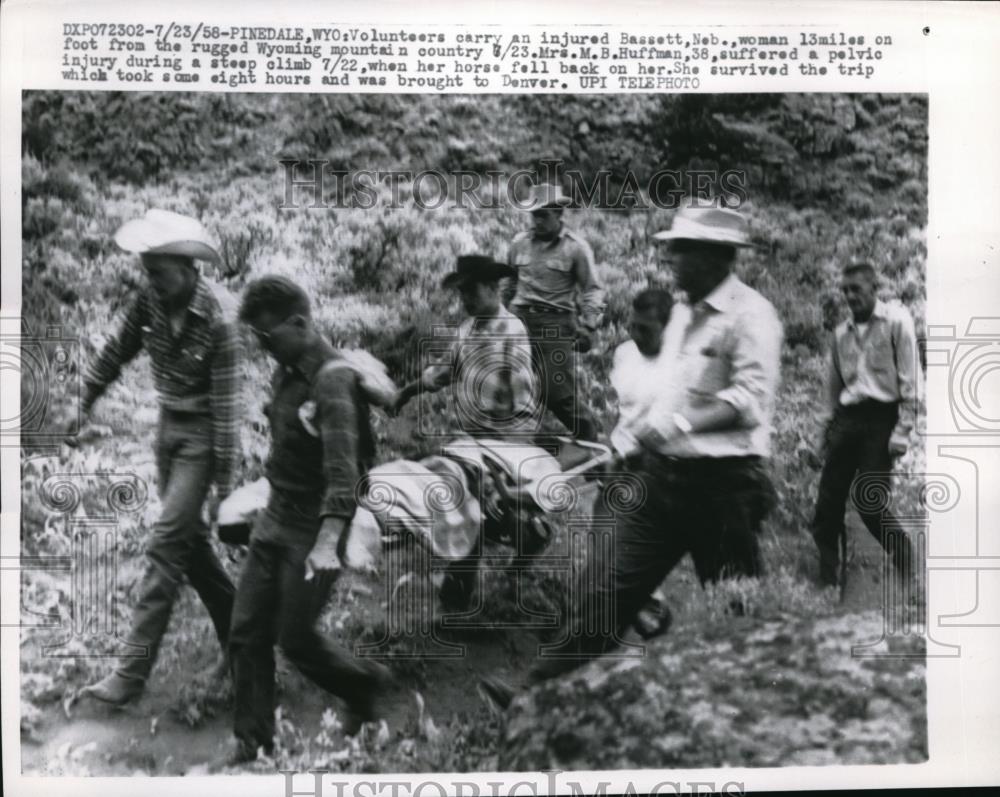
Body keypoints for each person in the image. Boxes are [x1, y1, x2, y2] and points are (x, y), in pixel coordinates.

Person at [481, 203, 783, 705]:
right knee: (606, 596)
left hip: (726, 489)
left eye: (683, 251)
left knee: (737, 609)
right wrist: (629, 445)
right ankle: (532, 696)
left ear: (715, 257)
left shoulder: (752, 316)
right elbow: (664, 396)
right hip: (662, 482)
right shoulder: (684, 317)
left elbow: (749, 400)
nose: (674, 262)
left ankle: (760, 709)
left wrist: (678, 426)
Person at [77, 209, 242, 706]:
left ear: (189, 270)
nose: (150, 282)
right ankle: (245, 640)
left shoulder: (219, 322)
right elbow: (117, 350)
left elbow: (228, 414)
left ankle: (130, 675)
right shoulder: (149, 300)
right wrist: (84, 398)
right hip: (167, 432)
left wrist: (224, 491)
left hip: (202, 439)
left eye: (158, 272)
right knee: (190, 549)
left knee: (167, 545)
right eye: (146, 272)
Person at [224, 275, 389, 764]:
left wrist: (327, 541)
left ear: (299, 322)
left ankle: (362, 685)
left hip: (313, 527)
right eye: (256, 335)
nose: (261, 345)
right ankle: (252, 741)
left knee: (294, 639)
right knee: (245, 630)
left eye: (267, 335)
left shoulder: (332, 380)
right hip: (276, 515)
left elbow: (346, 472)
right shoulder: (288, 369)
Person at [809, 262, 917, 589]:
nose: (849, 295)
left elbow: (912, 380)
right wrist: (822, 435)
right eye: (845, 290)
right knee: (827, 504)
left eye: (856, 289)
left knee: (869, 502)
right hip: (847, 421)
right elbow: (832, 390)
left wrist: (903, 429)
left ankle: (907, 568)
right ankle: (829, 582)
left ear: (874, 289)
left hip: (882, 420)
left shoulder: (897, 322)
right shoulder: (840, 334)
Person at [392, 255, 538, 438]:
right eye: (462, 292)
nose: (465, 299)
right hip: (472, 434)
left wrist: (512, 446)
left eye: (472, 291)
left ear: (492, 288)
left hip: (505, 435)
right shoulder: (466, 330)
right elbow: (440, 372)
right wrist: (404, 394)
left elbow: (522, 400)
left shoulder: (512, 330)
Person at [505, 183, 604, 445]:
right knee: (509, 388)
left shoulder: (576, 248)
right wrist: (500, 317)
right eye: (534, 215)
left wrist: (589, 325)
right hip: (519, 321)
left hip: (556, 325)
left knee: (556, 391)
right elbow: (510, 283)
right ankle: (517, 451)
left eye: (543, 215)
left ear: (559, 213)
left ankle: (593, 444)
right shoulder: (519, 243)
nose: (537, 221)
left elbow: (592, 289)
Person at [607, 287, 674, 639]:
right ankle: (643, 608)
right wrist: (611, 448)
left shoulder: (682, 364)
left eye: (646, 329)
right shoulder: (624, 354)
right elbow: (621, 410)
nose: (636, 335)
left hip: (655, 466)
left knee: (629, 548)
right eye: (633, 326)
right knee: (605, 545)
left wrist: (644, 452)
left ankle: (646, 609)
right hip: (619, 459)